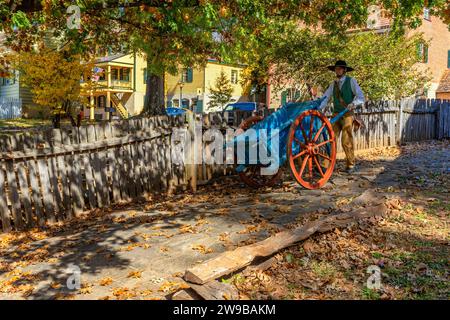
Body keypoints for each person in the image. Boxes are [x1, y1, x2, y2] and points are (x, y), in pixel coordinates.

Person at [318, 60, 365, 173]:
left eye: (339, 68)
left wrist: (353, 104)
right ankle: (326, 164)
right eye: (336, 68)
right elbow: (325, 98)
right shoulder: (333, 84)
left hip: (347, 114)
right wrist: (318, 107)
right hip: (336, 114)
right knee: (330, 138)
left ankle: (351, 164)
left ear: (344, 70)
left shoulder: (351, 81)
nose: (337, 70)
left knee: (346, 140)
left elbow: (361, 97)